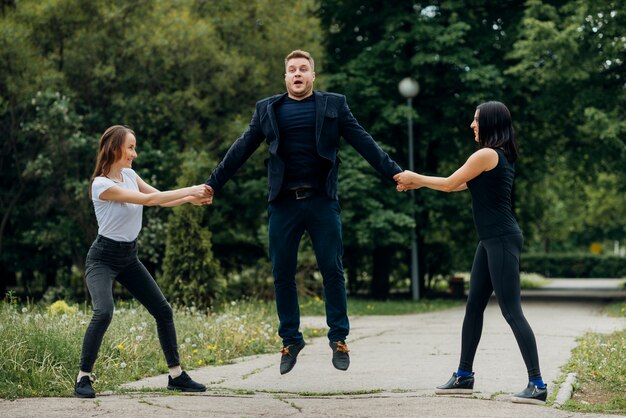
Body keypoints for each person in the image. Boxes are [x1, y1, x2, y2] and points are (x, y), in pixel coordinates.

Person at [204, 50, 402, 375]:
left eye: (303, 69)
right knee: (282, 272)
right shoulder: (268, 109)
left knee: (332, 270)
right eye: (292, 70)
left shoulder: (334, 105)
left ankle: (338, 337)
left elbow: (364, 141)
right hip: (283, 202)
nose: (297, 74)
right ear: (285, 77)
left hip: (322, 200)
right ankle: (291, 340)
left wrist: (394, 173)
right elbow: (240, 148)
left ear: (313, 76)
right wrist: (213, 184)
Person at [394, 101, 547, 405]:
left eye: (476, 120)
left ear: (490, 122)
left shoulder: (487, 154)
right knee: (473, 306)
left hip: (501, 239)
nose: (472, 125)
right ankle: (464, 375)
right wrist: (418, 183)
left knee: (511, 311)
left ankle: (537, 383)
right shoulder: (495, 156)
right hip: (490, 240)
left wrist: (416, 177)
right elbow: (456, 186)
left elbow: (451, 181)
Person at [75, 125, 211, 398]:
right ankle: (83, 378)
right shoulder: (101, 185)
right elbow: (149, 200)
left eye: (134, 147)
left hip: (129, 257)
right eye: (130, 147)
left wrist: (188, 199)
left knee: (163, 310)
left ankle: (177, 376)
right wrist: (193, 188)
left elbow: (159, 198)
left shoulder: (129, 174)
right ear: (115, 149)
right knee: (103, 312)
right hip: (103, 257)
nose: (134, 153)